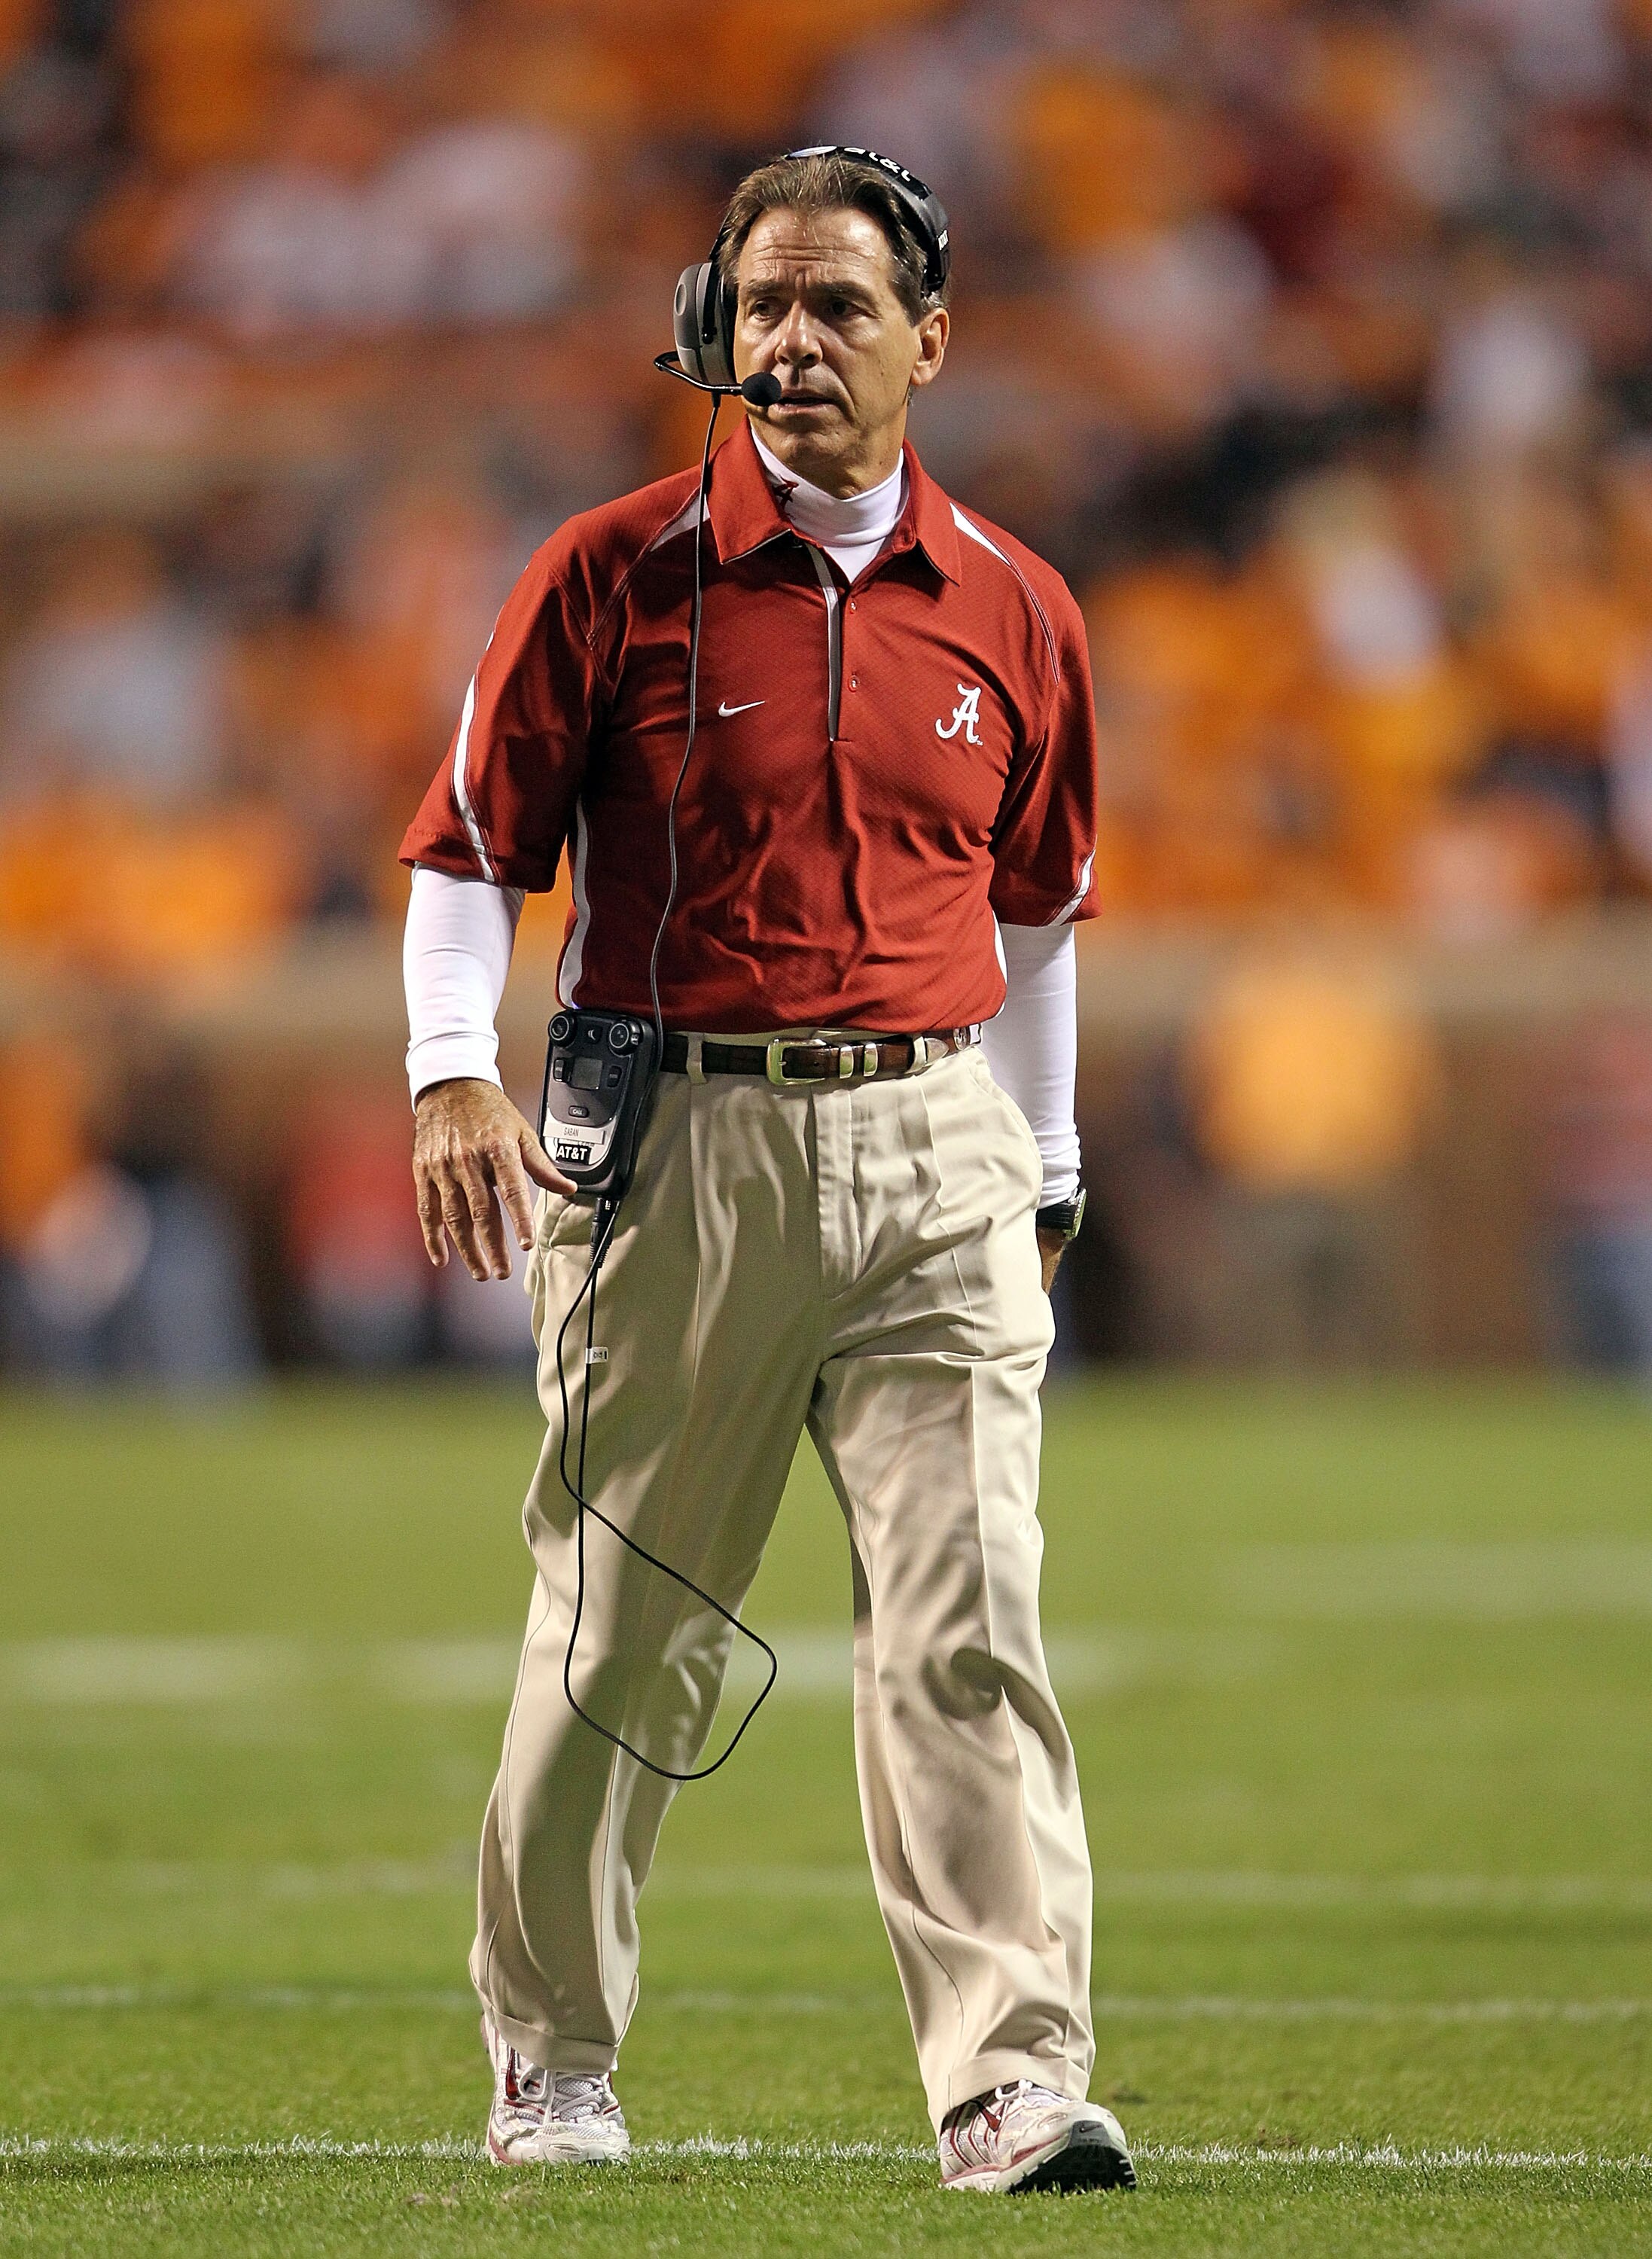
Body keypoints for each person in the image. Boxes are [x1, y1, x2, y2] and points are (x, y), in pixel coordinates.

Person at [401, 147, 1132, 2198]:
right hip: (677, 1154)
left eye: (833, 303)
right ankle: (549, 2057)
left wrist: (1045, 1167)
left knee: (968, 1625)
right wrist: (449, 1071)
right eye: (760, 300)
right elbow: (469, 851)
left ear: (930, 337)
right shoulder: (606, 569)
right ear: (712, 324)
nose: (789, 338)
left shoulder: (1017, 605)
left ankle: (1009, 2081)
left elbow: (1043, 910)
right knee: (625, 1641)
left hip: (935, 1146)